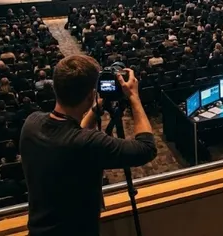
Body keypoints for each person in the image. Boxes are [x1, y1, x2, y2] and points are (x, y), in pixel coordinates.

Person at [20, 55, 157, 235]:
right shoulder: (87, 144)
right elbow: (146, 148)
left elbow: (70, 133)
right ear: (92, 94)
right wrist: (134, 97)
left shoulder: (31, 124)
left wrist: (95, 109)